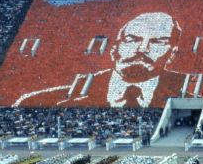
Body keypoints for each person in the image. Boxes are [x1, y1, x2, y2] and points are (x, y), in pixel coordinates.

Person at [15, 12, 187, 108]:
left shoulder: (189, 97)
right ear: (114, 48)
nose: (142, 49)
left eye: (158, 42)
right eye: (132, 40)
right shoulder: (42, 100)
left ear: (172, 53)